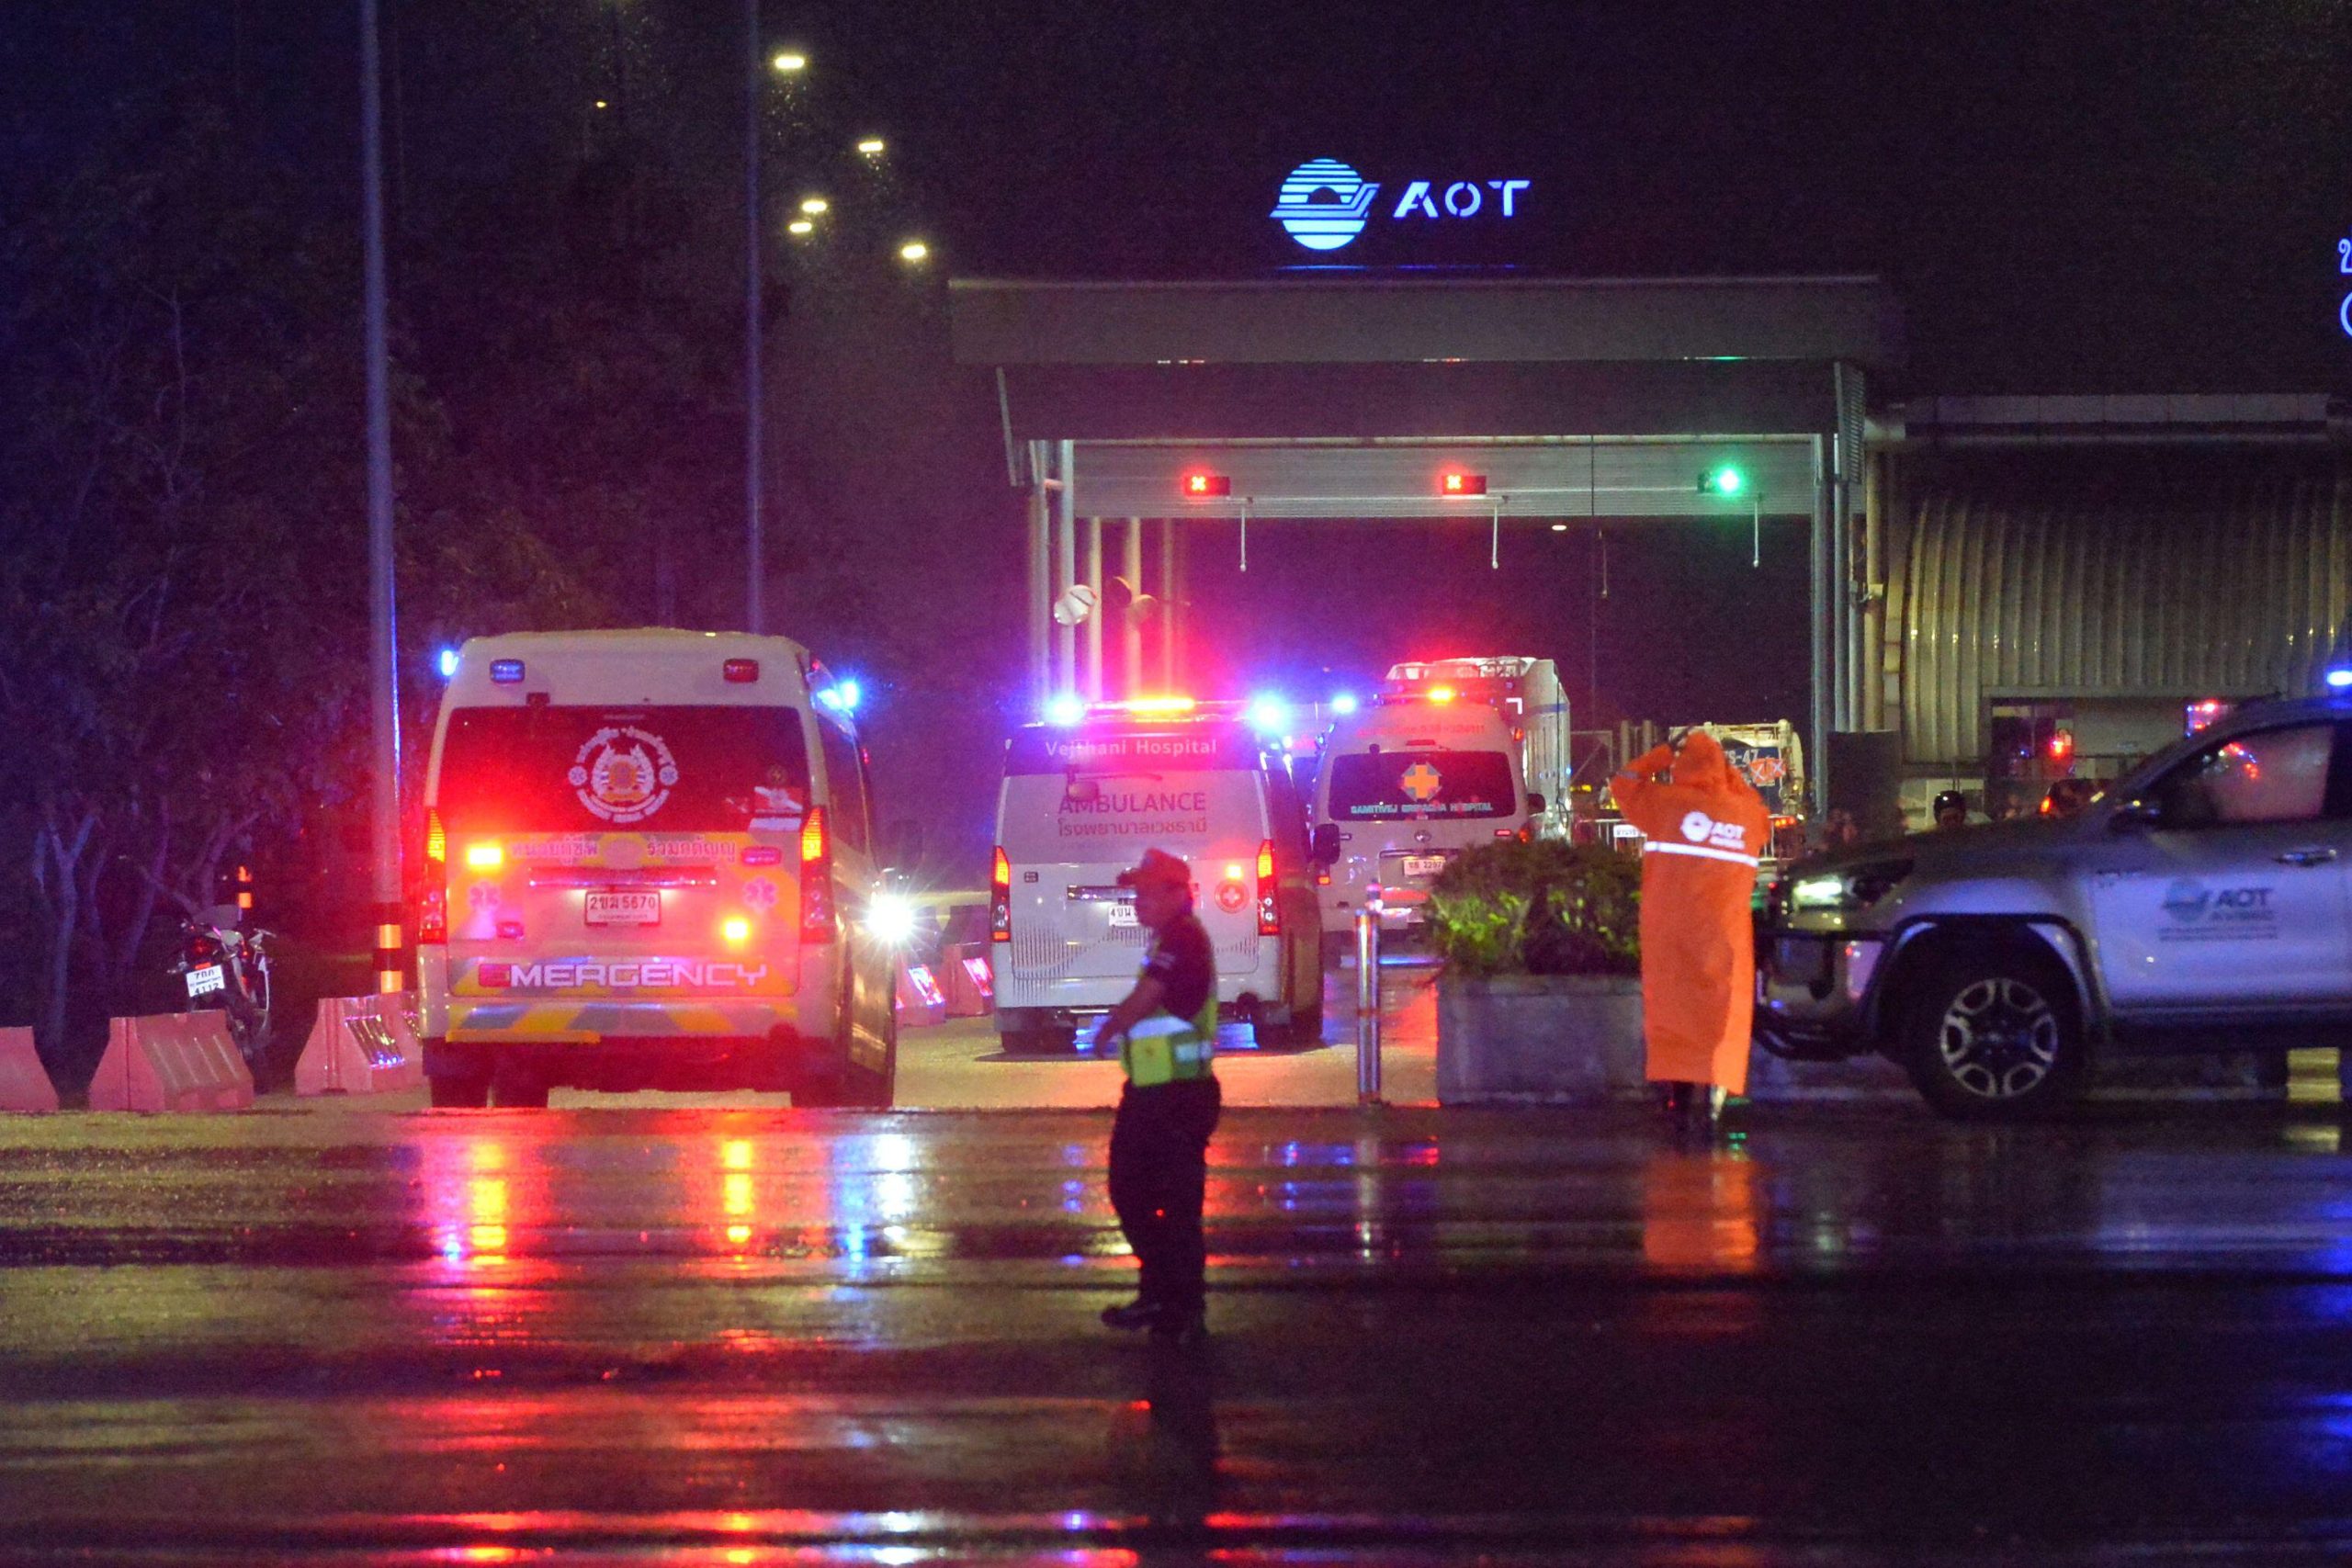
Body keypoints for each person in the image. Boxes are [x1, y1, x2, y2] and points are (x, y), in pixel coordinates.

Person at [1091, 847, 1221, 1343]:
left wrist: (1111, 1026)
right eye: (1135, 891)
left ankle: (1181, 1306)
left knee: (1170, 1205)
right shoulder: (1172, 937)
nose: (1138, 900)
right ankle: (1162, 1295)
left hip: (1176, 1098)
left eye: (1147, 891)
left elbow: (1148, 996)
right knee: (1136, 1194)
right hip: (1154, 1094)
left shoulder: (1182, 939)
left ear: (1176, 893)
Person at [1611, 730, 1769, 1134]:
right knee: (1721, 1018)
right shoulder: (1747, 815)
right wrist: (1726, 776)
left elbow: (1624, 783)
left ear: (1682, 767)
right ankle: (1714, 1103)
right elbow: (1754, 805)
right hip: (1724, 935)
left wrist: (1663, 754)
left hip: (1670, 934)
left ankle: (1678, 1103)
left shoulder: (1665, 805)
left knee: (1675, 1014)